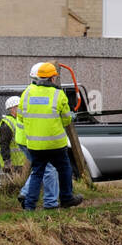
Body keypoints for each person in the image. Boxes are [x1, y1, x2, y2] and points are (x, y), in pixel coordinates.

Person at [18, 62, 83, 210]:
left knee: (37, 172)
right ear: (52, 78)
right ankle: (66, 198)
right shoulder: (58, 94)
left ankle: (29, 205)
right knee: (65, 168)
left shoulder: (27, 93)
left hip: (34, 144)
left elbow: (21, 117)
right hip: (55, 144)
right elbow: (67, 119)